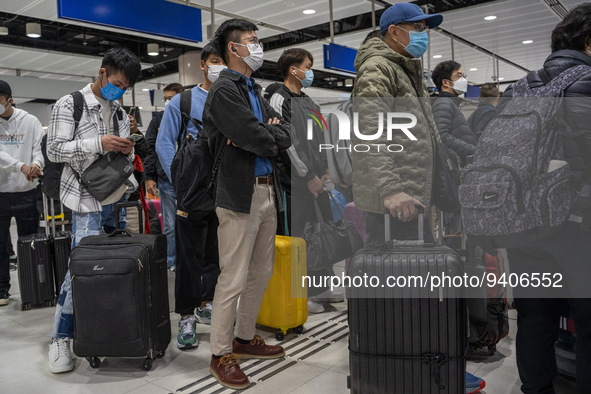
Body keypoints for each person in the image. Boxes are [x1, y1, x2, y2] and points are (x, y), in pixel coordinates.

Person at [352, 4, 485, 393]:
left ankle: (431, 359)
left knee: (422, 290)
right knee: (404, 293)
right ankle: (405, 364)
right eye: (418, 27)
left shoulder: (406, 69)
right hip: (396, 201)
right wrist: (390, 187)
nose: (424, 34)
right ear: (395, 31)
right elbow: (369, 129)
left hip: (416, 195)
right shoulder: (379, 68)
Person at [503, 4, 591, 393]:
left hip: (525, 222)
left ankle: (536, 390)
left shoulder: (519, 87)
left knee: (535, 318)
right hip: (579, 222)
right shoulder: (588, 80)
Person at [203, 19, 291, 390]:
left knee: (261, 272)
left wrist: (266, 134)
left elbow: (282, 132)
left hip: (268, 189)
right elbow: (256, 134)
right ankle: (221, 353)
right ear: (233, 49)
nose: (258, 47)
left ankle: (243, 337)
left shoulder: (253, 87)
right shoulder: (224, 90)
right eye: (252, 41)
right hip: (240, 195)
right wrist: (266, 134)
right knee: (233, 277)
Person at [46, 47, 141, 373]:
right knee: (81, 271)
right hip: (84, 201)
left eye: (125, 87)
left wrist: (126, 149)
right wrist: (98, 144)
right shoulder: (69, 104)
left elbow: (126, 156)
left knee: (106, 270)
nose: (120, 90)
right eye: (117, 82)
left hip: (113, 197)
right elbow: (55, 150)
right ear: (102, 73)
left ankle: (101, 331)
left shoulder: (116, 110)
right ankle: (60, 339)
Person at [156, 43, 224, 350]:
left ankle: (205, 303)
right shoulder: (182, 102)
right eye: (214, 61)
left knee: (215, 254)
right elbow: (164, 144)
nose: (219, 66)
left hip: (223, 194)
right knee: (187, 257)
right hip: (190, 193)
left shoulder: (232, 99)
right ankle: (185, 315)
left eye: (224, 61)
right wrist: (181, 183)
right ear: (203, 64)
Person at [269, 48, 338, 314]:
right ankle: (300, 293)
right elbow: (286, 142)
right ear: (292, 69)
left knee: (320, 233)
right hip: (294, 184)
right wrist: (307, 176)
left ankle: (320, 288)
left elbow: (320, 139)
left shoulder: (310, 101)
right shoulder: (278, 98)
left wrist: (325, 171)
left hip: (317, 181)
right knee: (297, 237)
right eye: (307, 66)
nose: (310, 72)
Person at [0, 80, 44, 306]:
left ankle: (32, 288)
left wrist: (35, 165)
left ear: (9, 99)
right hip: (1, 192)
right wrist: (22, 166)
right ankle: (1, 290)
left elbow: (39, 148)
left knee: (30, 244)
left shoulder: (30, 121)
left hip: (27, 191)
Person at [144, 82, 184, 269]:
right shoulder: (158, 120)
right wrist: (149, 176)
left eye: (172, 98)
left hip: (189, 180)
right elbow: (150, 148)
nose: (168, 102)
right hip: (167, 180)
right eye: (165, 99)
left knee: (190, 223)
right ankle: (171, 262)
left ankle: (188, 262)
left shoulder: (190, 117)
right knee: (169, 224)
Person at [431, 60, 477, 164]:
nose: (464, 80)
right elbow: (442, 136)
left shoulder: (451, 104)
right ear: (446, 82)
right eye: (459, 76)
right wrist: (473, 150)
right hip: (456, 165)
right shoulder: (444, 104)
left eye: (464, 76)